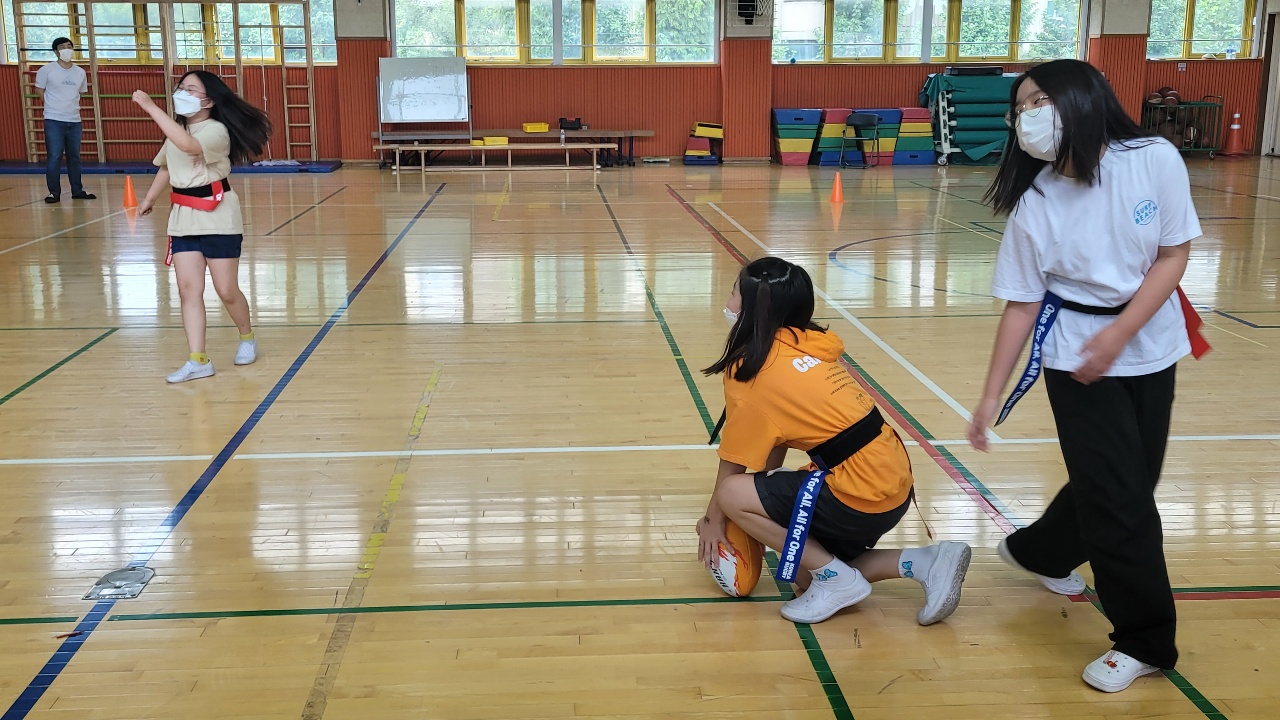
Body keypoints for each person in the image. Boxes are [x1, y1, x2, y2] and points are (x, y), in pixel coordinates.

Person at [968, 59, 1206, 693]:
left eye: (1039, 101)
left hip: (1150, 340)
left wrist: (1121, 333)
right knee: (1122, 501)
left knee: (1128, 481)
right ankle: (1144, 640)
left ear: (1082, 100)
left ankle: (1040, 550)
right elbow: (1022, 305)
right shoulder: (1035, 203)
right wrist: (989, 397)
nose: (1027, 116)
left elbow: (1173, 253)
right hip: (1074, 356)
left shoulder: (1153, 159)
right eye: (1020, 108)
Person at [698, 257, 972, 626]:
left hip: (859, 493)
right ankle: (924, 562)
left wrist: (715, 519)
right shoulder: (807, 343)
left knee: (731, 493)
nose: (728, 301)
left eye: (733, 292)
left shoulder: (752, 369)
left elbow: (733, 465)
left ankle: (836, 579)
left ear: (753, 309)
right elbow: (774, 444)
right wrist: (762, 512)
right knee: (804, 575)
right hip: (892, 483)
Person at [133, 71, 271, 383]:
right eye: (181, 88)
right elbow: (167, 166)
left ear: (208, 101)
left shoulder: (216, 131)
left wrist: (150, 107)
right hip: (183, 218)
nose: (182, 93)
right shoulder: (176, 130)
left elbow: (188, 146)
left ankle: (247, 337)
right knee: (188, 289)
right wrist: (149, 198)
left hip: (218, 216)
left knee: (226, 289)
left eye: (191, 89)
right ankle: (198, 360)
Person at [36, 37, 95, 204]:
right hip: (54, 120)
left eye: (69, 46)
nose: (66, 49)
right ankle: (54, 192)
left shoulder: (80, 72)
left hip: (75, 120)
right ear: (56, 51)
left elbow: (80, 93)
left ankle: (77, 190)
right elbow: (39, 90)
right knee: (54, 157)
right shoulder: (47, 70)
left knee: (74, 157)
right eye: (62, 47)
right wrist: (52, 105)